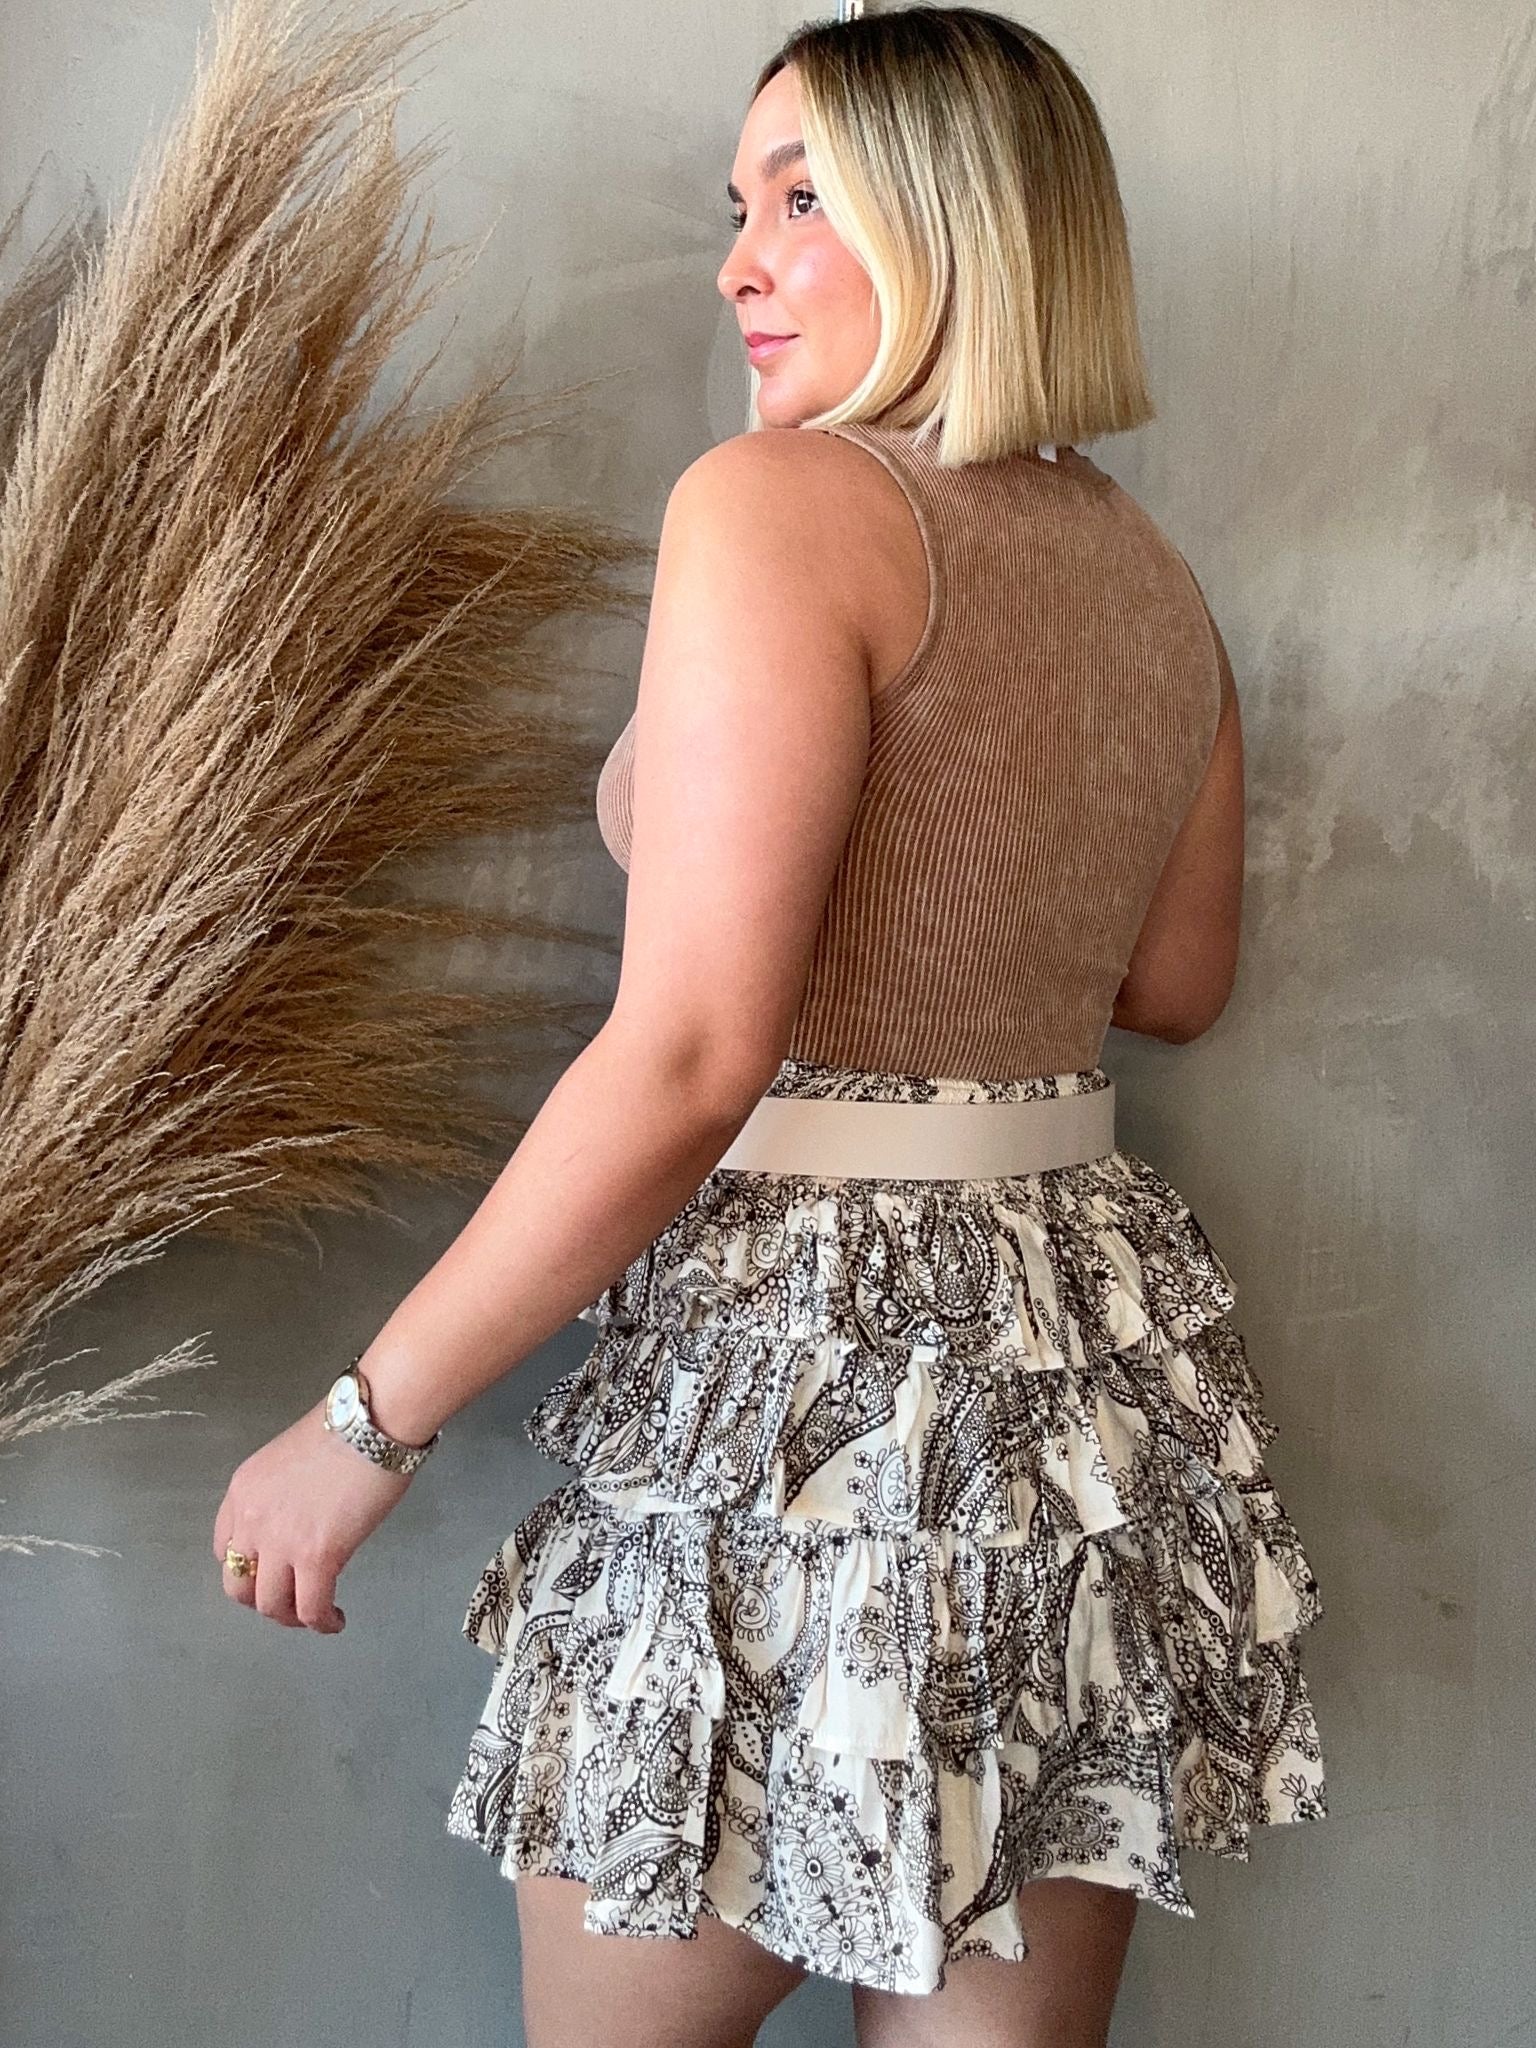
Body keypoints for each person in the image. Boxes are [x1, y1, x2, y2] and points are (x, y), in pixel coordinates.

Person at [214, 9, 1327, 2044]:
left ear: (966, 226)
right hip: (1069, 1395)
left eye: (803, 199)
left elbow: (687, 1054)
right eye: (735, 206)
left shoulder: (774, 505)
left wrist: (365, 1423)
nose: (739, 258)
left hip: (797, 1392)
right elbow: (1175, 988)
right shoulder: (1155, 575)